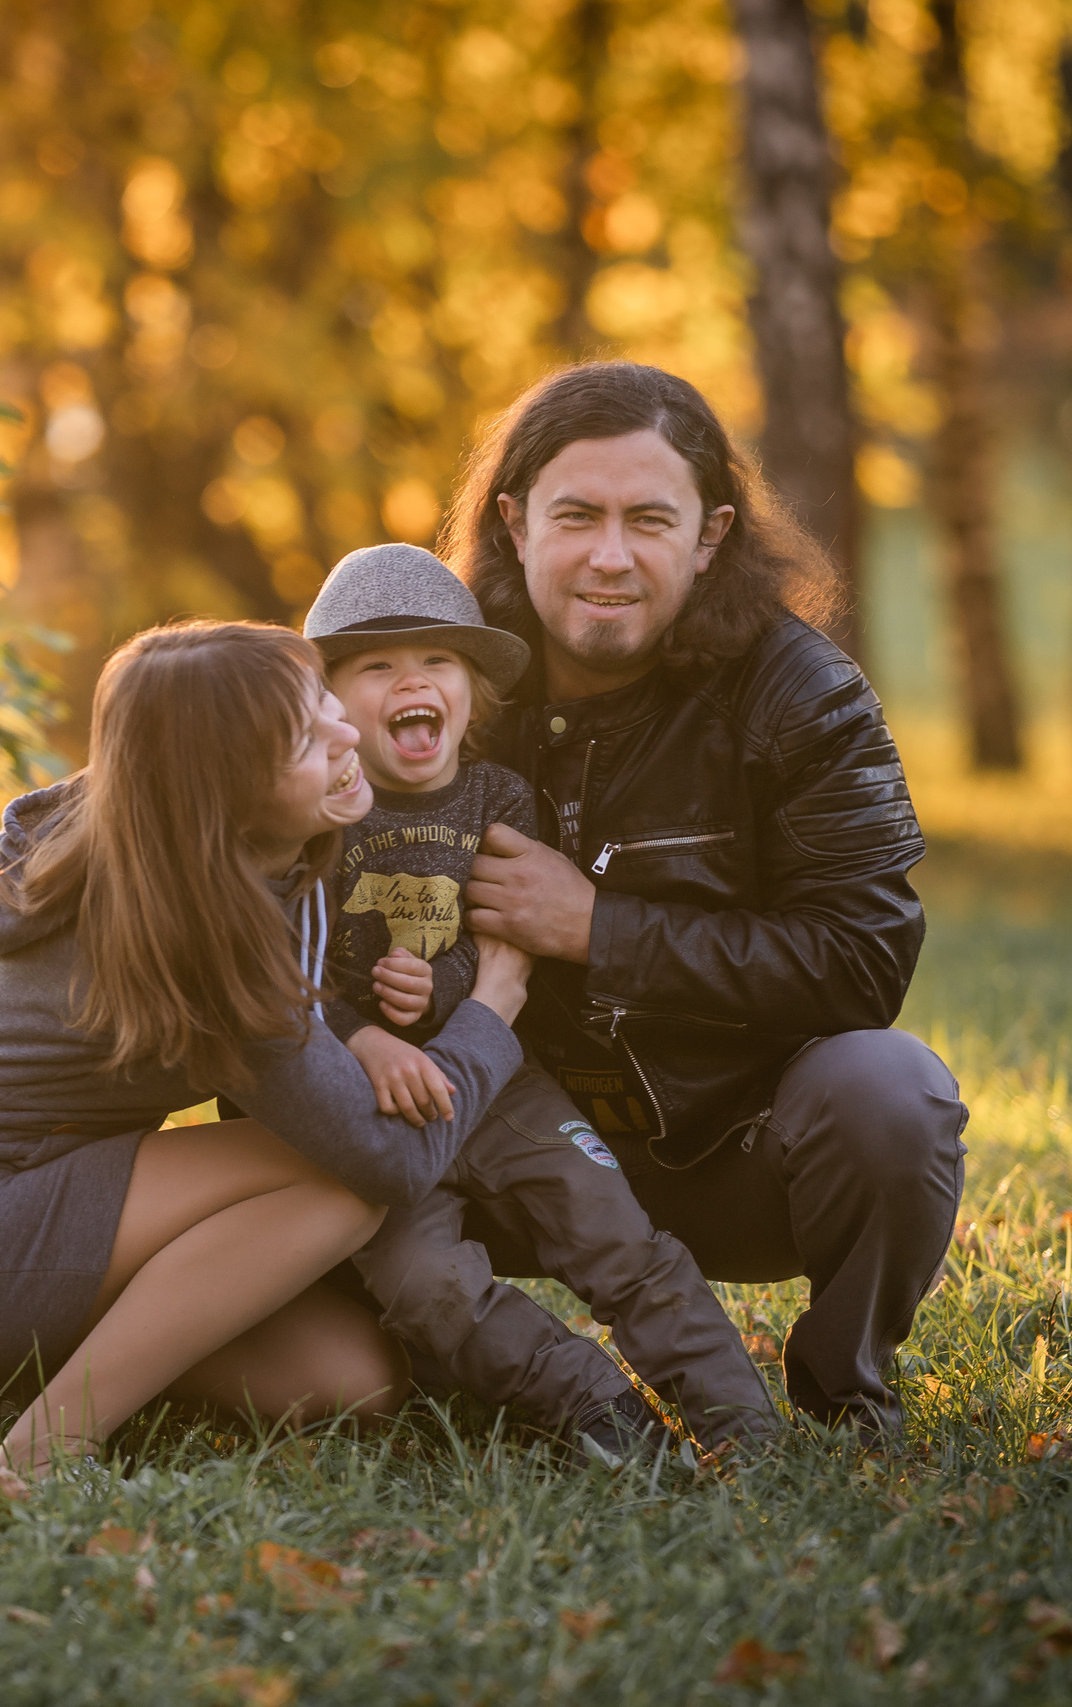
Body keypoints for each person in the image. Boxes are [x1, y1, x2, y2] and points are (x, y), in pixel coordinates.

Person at [0, 620, 535, 1479]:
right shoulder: (201, 933)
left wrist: (364, 1039)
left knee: (349, 1380)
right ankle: (41, 1452)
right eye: (309, 740)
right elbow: (387, 1161)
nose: (348, 735)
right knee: (342, 1189)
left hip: (12, 1217)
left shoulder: (202, 848)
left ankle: (55, 1374)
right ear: (225, 793)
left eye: (324, 707)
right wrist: (496, 1002)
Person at [449, 361, 970, 1434]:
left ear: (711, 534)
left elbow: (865, 961)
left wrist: (598, 929)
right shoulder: (439, 688)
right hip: (501, 1149)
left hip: (732, 1151)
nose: (609, 555)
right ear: (512, 523)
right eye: (576, 515)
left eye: (649, 519)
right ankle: (468, 1371)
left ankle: (843, 1389)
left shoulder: (799, 691)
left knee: (891, 1093)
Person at [300, 542, 778, 1457]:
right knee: (424, 1284)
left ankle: (741, 1426)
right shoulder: (318, 817)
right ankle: (598, 1409)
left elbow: (512, 942)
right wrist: (363, 1030)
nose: (415, 680)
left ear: (474, 692)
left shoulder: (498, 797)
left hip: (506, 1089)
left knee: (615, 1232)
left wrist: (436, 984)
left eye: (438, 660)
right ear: (326, 704)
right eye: (378, 666)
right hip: (378, 1109)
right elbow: (287, 978)